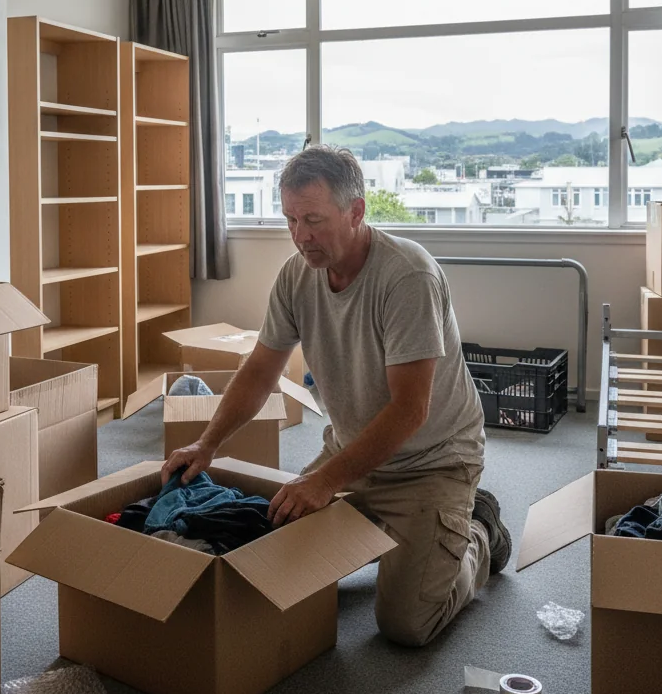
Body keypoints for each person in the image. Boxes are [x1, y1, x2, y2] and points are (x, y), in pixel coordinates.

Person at [162, 145, 510, 647]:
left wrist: (324, 482)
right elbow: (261, 369)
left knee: (407, 625)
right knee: (271, 557)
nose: (301, 236)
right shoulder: (295, 275)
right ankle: (403, 537)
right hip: (352, 450)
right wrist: (208, 444)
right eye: (291, 219)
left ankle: (478, 530)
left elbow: (410, 410)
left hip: (431, 462)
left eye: (314, 220)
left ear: (356, 212)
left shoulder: (407, 276)